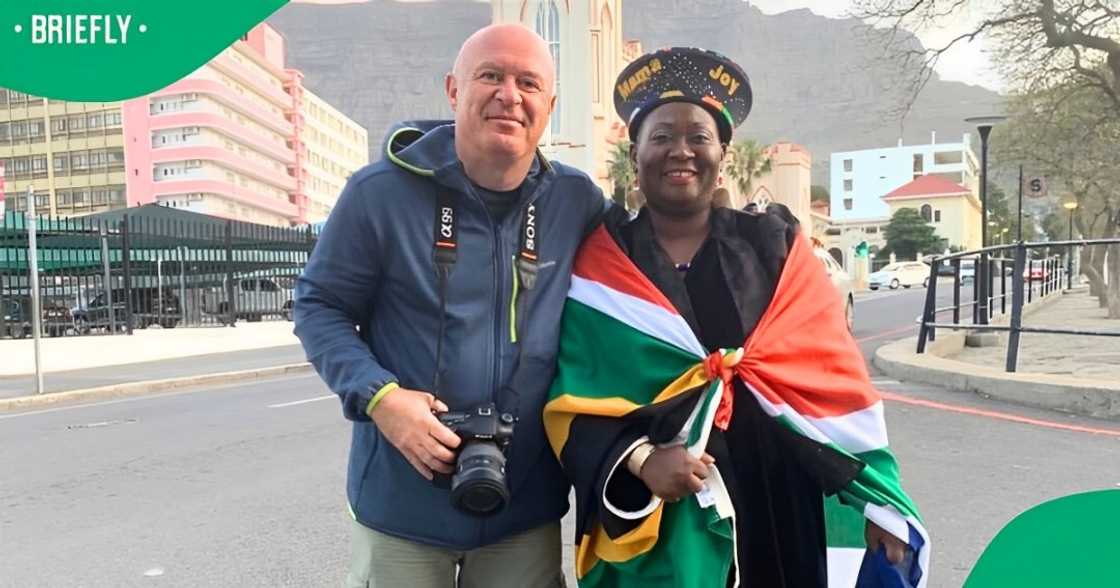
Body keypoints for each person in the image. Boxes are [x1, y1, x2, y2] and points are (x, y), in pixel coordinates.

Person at [544, 47, 929, 587]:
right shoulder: (602, 264)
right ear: (635, 153)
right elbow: (574, 402)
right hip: (664, 509)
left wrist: (877, 504)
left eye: (699, 137)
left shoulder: (773, 246)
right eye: (661, 137)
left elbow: (834, 383)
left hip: (776, 494)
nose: (681, 150)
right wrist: (642, 463)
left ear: (722, 152)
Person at [294, 24, 606, 588]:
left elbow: (630, 299)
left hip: (524, 509)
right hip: (400, 507)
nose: (509, 95)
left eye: (528, 82)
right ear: (454, 90)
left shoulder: (577, 202)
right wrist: (381, 398)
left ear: (550, 105)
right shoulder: (378, 193)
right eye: (490, 75)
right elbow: (319, 306)